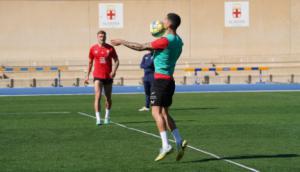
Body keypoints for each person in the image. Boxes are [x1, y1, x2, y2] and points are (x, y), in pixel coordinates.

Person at [111, 13, 187, 162]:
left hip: (160, 81)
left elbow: (140, 47)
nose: (162, 21)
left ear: (169, 24)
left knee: (155, 112)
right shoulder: (179, 40)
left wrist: (121, 41)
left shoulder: (165, 40)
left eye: (164, 20)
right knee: (165, 113)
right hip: (170, 81)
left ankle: (165, 145)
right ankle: (179, 141)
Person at [85, 30, 119, 126]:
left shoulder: (111, 48)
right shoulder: (93, 49)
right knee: (98, 96)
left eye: (103, 36)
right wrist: (87, 75)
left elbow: (116, 61)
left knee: (108, 98)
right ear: (97, 37)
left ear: (105, 37)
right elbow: (90, 62)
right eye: (100, 36)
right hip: (97, 76)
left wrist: (114, 71)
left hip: (108, 76)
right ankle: (98, 119)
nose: (102, 38)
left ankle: (107, 117)